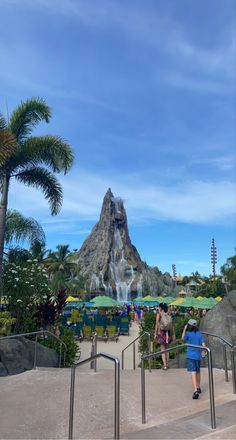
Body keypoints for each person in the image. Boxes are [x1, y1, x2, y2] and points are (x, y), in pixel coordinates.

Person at [182, 319, 205, 399]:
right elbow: (203, 344)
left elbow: (183, 338)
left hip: (190, 356)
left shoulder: (188, 333)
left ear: (189, 325)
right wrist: (203, 352)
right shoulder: (199, 334)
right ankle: (198, 387)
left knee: (193, 372)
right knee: (198, 372)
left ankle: (195, 390)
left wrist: (184, 329)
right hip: (198, 356)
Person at [155, 303, 175, 370]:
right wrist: (173, 334)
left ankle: (165, 365)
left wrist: (155, 333)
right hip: (168, 333)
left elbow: (157, 324)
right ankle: (167, 364)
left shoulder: (159, 314)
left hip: (161, 333)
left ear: (161, 308)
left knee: (162, 350)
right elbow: (172, 325)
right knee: (167, 349)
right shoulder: (168, 314)